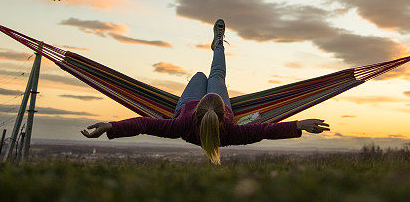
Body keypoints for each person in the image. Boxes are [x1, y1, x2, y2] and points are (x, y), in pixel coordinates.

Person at [82, 19, 330, 164]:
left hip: (186, 103)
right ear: (225, 110)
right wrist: (298, 125)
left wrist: (112, 127)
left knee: (204, 75)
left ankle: (218, 46)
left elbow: (144, 124)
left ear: (197, 108)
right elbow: (265, 130)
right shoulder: (231, 131)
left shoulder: (180, 125)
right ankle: (218, 44)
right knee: (214, 76)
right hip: (193, 104)